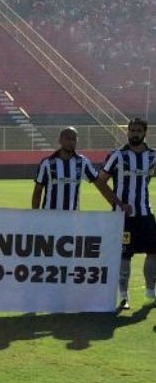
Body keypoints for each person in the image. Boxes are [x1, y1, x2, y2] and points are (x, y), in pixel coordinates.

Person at [94, 117, 156, 310]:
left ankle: (151, 291)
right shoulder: (118, 155)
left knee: (153, 252)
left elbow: (149, 178)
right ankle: (124, 296)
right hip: (123, 217)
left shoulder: (153, 156)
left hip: (145, 214)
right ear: (127, 132)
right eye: (132, 130)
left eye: (138, 131)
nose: (135, 134)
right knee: (124, 255)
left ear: (145, 133)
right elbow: (100, 181)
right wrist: (119, 203)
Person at [32, 127, 109, 210]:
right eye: (68, 139)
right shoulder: (47, 163)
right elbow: (37, 191)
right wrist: (35, 216)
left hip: (73, 218)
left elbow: (100, 184)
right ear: (60, 141)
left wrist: (117, 204)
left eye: (73, 139)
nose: (71, 142)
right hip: (51, 217)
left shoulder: (82, 162)